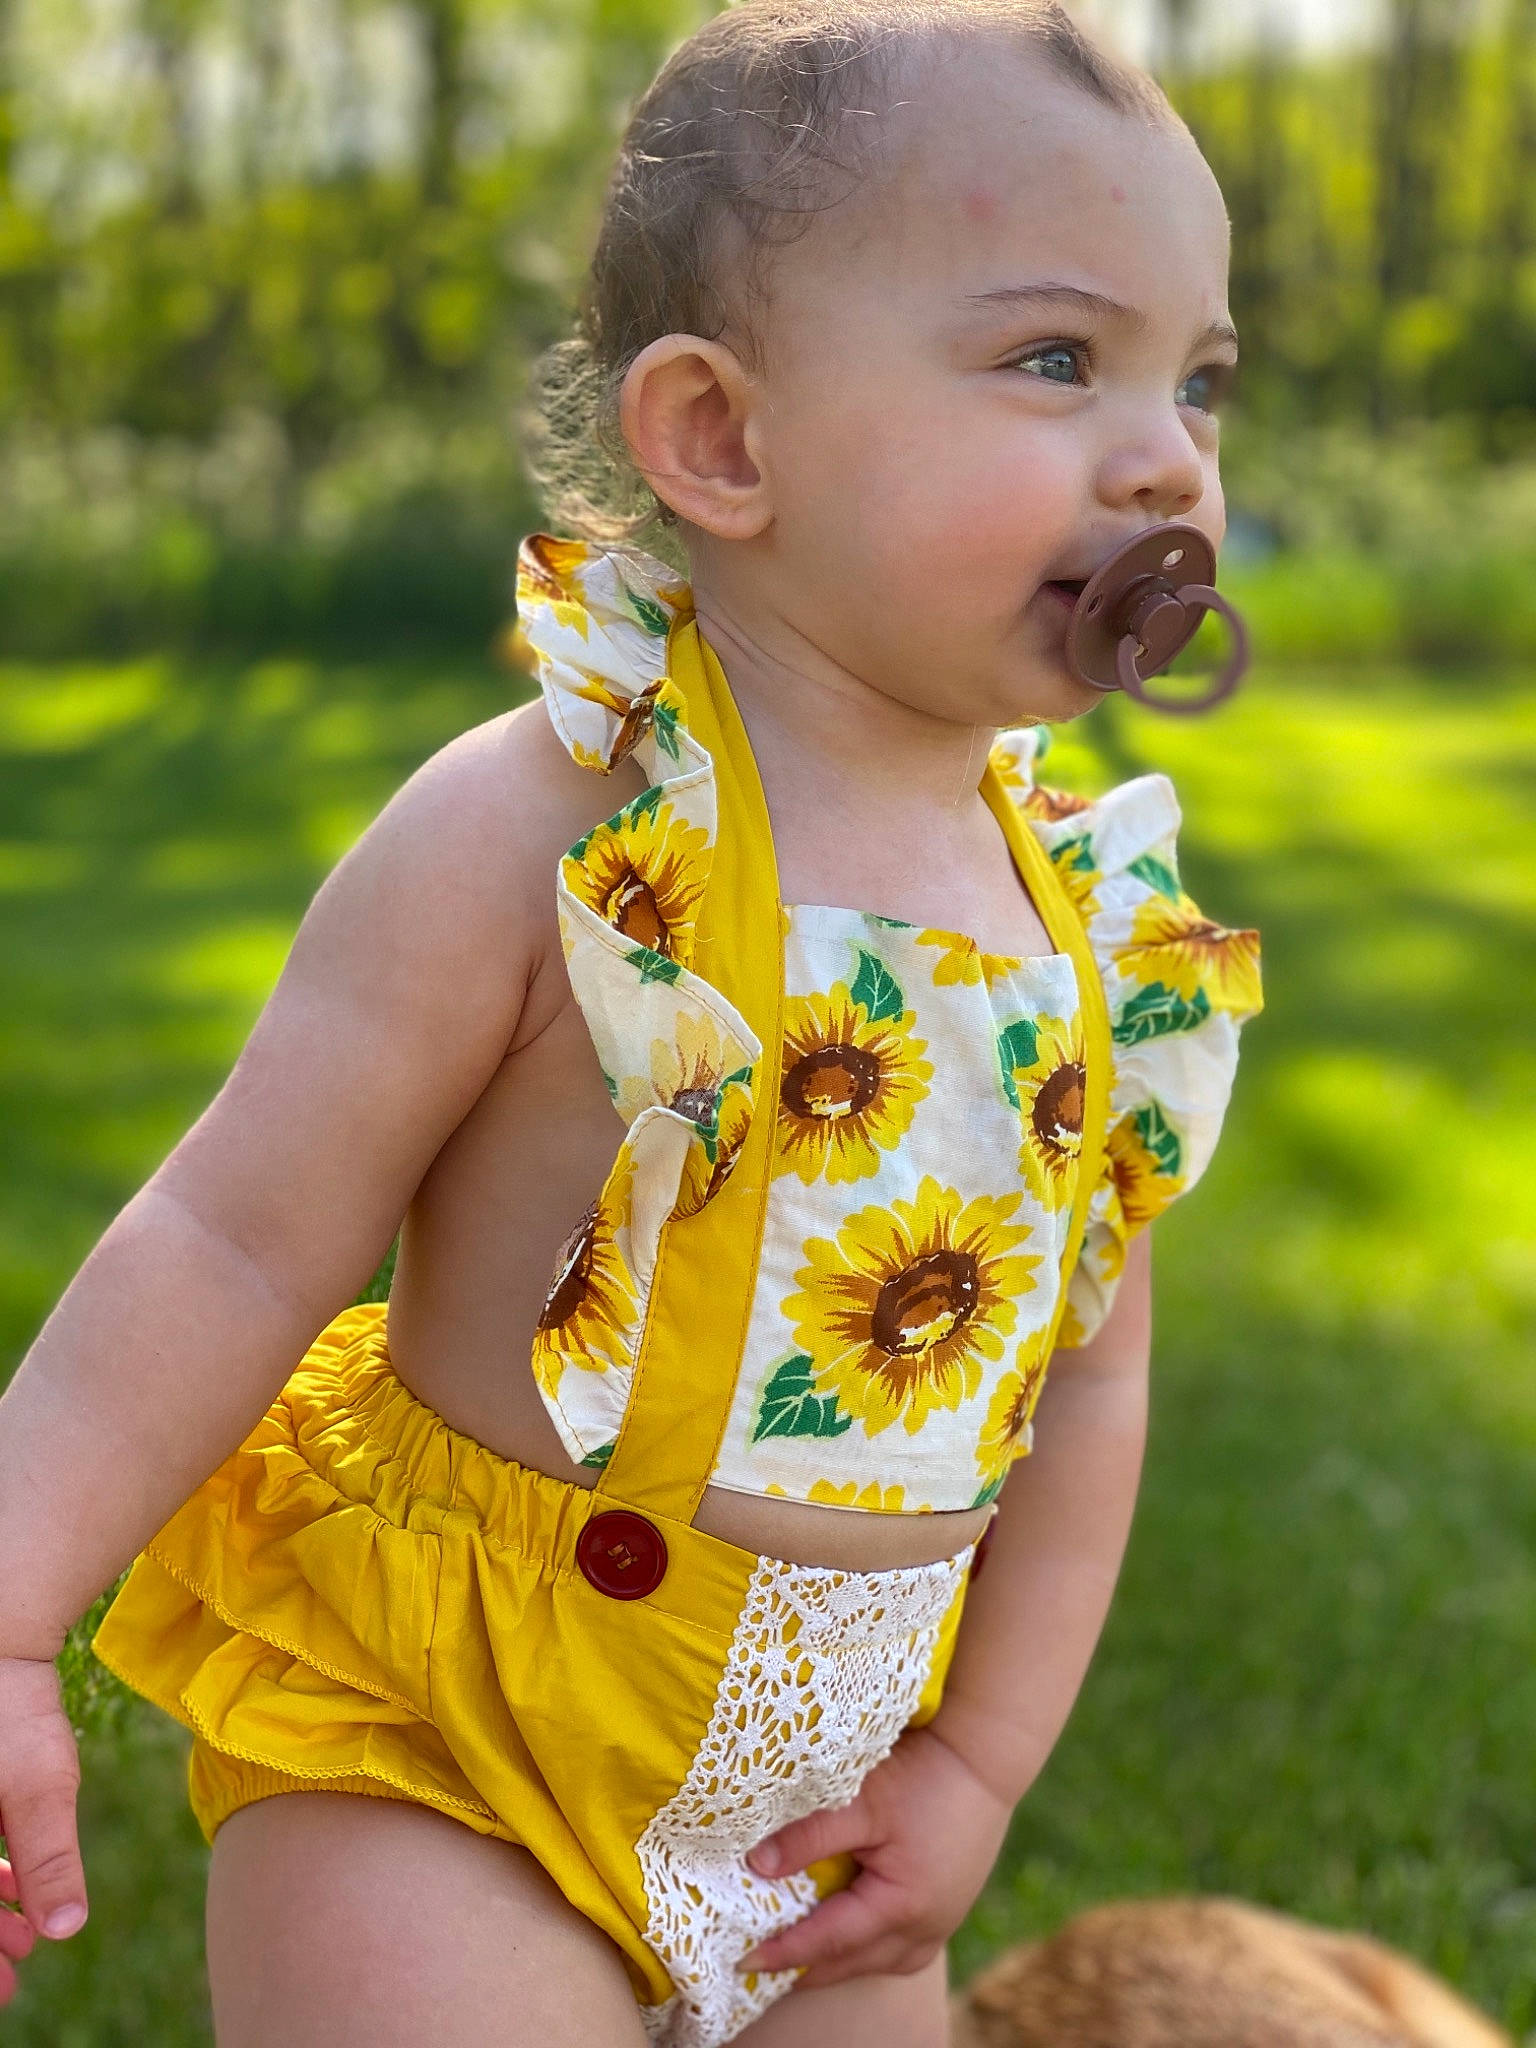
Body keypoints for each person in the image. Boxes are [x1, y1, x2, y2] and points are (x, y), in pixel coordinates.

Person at [0, 3, 1264, 2043]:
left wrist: (972, 1768)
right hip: (453, 1761)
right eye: (1058, 359)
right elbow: (237, 1233)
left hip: (827, 1813)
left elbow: (1086, 1389)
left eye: (1198, 381)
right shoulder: (550, 829)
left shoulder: (1094, 919)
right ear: (725, 440)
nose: (1165, 454)